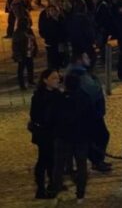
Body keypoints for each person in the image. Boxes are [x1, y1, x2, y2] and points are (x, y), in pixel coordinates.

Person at [65, 53, 112, 172]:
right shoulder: (79, 74)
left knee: (97, 136)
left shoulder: (79, 72)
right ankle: (96, 161)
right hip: (90, 111)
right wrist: (96, 80)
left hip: (90, 110)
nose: (89, 59)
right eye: (86, 57)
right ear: (79, 60)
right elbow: (93, 89)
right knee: (101, 135)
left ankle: (96, 160)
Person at [51, 73, 93, 203]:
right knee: (81, 166)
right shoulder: (85, 98)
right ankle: (80, 194)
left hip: (63, 137)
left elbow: (54, 117)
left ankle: (56, 189)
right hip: (81, 137)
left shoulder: (60, 98)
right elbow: (91, 118)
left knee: (58, 164)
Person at [29, 69, 63, 199]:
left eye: (57, 77)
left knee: (52, 159)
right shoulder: (38, 97)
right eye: (54, 78)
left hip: (54, 133)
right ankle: (41, 188)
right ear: (45, 80)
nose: (57, 80)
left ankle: (52, 184)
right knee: (43, 160)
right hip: (44, 133)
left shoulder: (57, 94)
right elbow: (35, 116)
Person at [12, 17, 37, 90]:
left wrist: (35, 50)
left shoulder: (29, 31)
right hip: (22, 54)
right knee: (21, 70)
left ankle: (31, 81)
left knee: (30, 68)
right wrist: (18, 56)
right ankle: (22, 84)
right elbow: (15, 46)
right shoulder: (17, 33)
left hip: (29, 53)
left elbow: (34, 41)